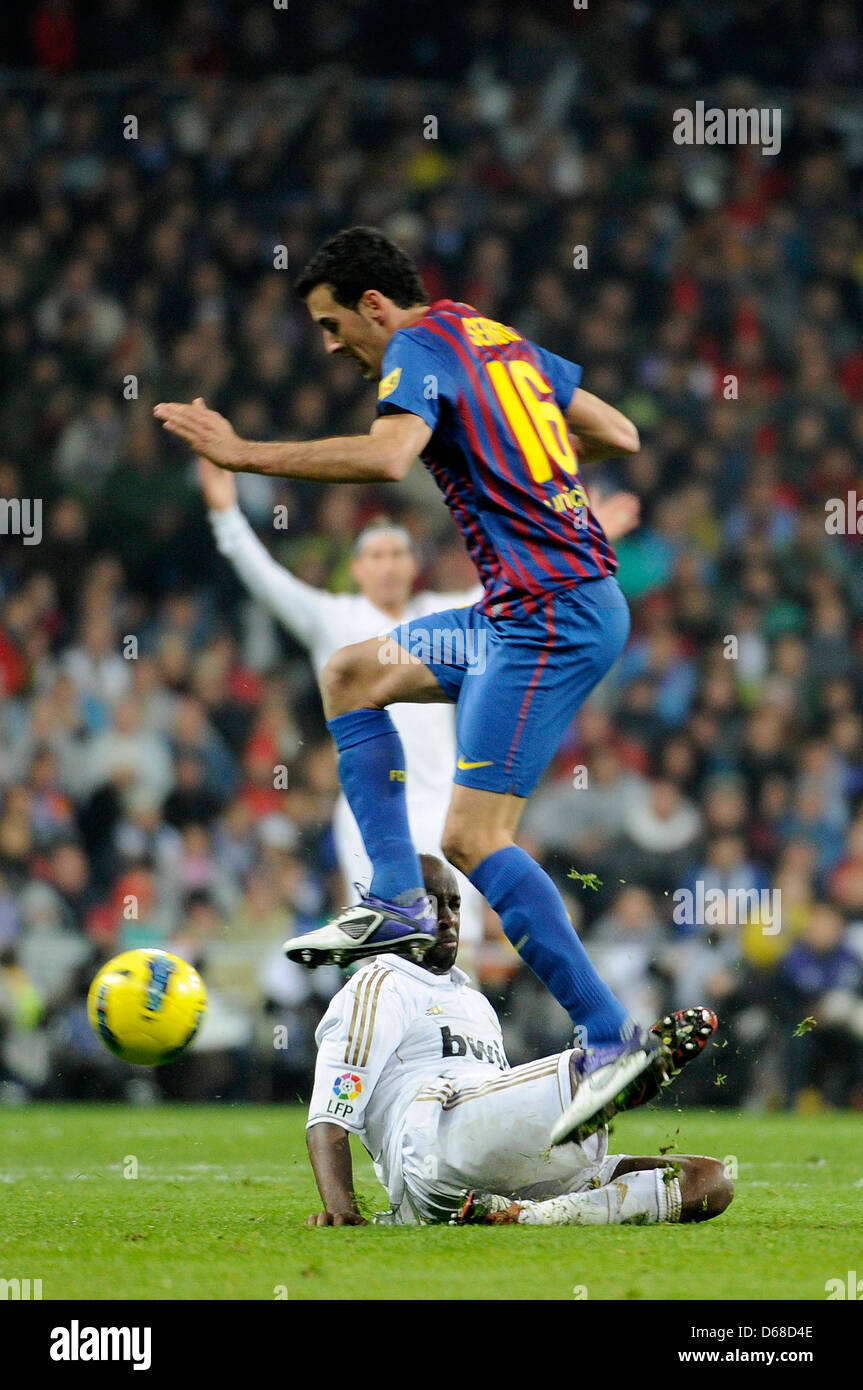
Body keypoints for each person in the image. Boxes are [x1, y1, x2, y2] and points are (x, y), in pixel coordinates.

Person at [154, 225, 684, 1138]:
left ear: (372, 304)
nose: (330, 346)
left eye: (330, 325)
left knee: (474, 841)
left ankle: (609, 1036)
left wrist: (244, 456)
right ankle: (397, 897)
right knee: (351, 671)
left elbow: (390, 455)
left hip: (547, 610)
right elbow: (617, 433)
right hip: (513, 611)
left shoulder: (413, 346)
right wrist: (523, 458)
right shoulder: (493, 338)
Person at [199, 456, 640, 959]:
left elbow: (528, 589)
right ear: (357, 569)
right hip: (371, 813)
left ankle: (460, 1038)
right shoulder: (332, 618)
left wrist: (584, 541)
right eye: (376, 555)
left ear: (414, 566)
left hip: (446, 806)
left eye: (398, 554)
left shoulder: (445, 617)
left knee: (458, 947)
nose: (388, 564)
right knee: (381, 950)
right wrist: (226, 515)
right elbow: (266, 580)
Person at [304, 855, 726, 1227]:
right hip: (431, 1138)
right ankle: (617, 1068)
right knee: (585, 1072)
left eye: (453, 904)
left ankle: (533, 1214)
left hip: (492, 1164)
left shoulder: (474, 1002)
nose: (448, 918)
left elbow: (505, 1107)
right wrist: (341, 1207)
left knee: (708, 1181)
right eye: (429, 906)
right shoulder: (379, 985)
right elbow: (329, 1116)